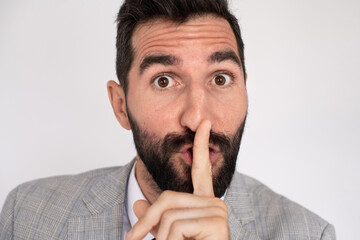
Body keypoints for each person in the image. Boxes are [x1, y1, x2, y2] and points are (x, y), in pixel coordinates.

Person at [0, 0, 336, 239]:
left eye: (220, 79)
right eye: (164, 80)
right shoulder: (26, 215)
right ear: (121, 106)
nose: (197, 117)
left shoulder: (308, 233)